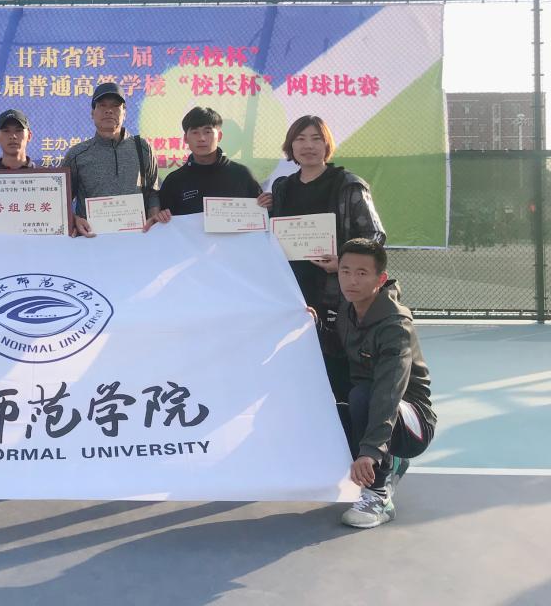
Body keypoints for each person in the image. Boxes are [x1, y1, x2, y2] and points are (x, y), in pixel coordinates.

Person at [267, 115, 385, 401]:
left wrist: (342, 264)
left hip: (336, 296)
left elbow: (374, 236)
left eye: (316, 139)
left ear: (327, 144)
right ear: (291, 146)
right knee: (295, 367)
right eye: (300, 139)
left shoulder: (348, 185)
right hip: (294, 294)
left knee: (337, 368)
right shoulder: (282, 187)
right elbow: (275, 234)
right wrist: (263, 208)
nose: (308, 146)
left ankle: (344, 423)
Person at [331, 238, 435, 529]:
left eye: (362, 273)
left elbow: (389, 390)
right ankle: (392, 463)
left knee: (364, 395)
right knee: (332, 400)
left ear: (381, 279)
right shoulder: (347, 310)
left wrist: (371, 450)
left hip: (412, 423)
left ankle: (379, 495)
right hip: (374, 407)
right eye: (345, 271)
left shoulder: (395, 325)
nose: (351, 280)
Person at [64, 82, 160, 237]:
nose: (109, 110)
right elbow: (61, 202)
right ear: (92, 113)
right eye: (102, 105)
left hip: (136, 240)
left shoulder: (142, 148)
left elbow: (153, 191)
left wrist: (153, 220)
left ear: (124, 113)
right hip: (91, 242)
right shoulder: (77, 154)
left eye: (115, 106)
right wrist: (74, 219)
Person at [153, 106, 270, 219]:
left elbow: (261, 215)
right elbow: (163, 223)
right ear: (185, 139)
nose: (201, 138)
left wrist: (268, 205)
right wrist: (161, 217)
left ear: (219, 136)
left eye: (207, 132)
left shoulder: (241, 174)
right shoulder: (174, 181)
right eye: (195, 132)